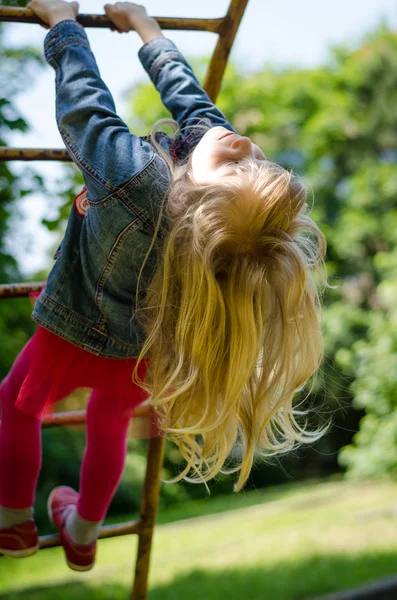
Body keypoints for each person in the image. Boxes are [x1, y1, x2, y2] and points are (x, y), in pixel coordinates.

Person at [0, 0, 328, 572]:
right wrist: (146, 28)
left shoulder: (132, 175)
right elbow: (196, 107)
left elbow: (86, 109)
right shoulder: (222, 216)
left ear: (195, 202)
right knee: (107, 426)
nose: (248, 148)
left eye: (239, 165)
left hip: (73, 331)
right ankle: (83, 530)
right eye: (259, 163)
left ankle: (11, 524)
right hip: (143, 354)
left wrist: (63, 23)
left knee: (15, 406)